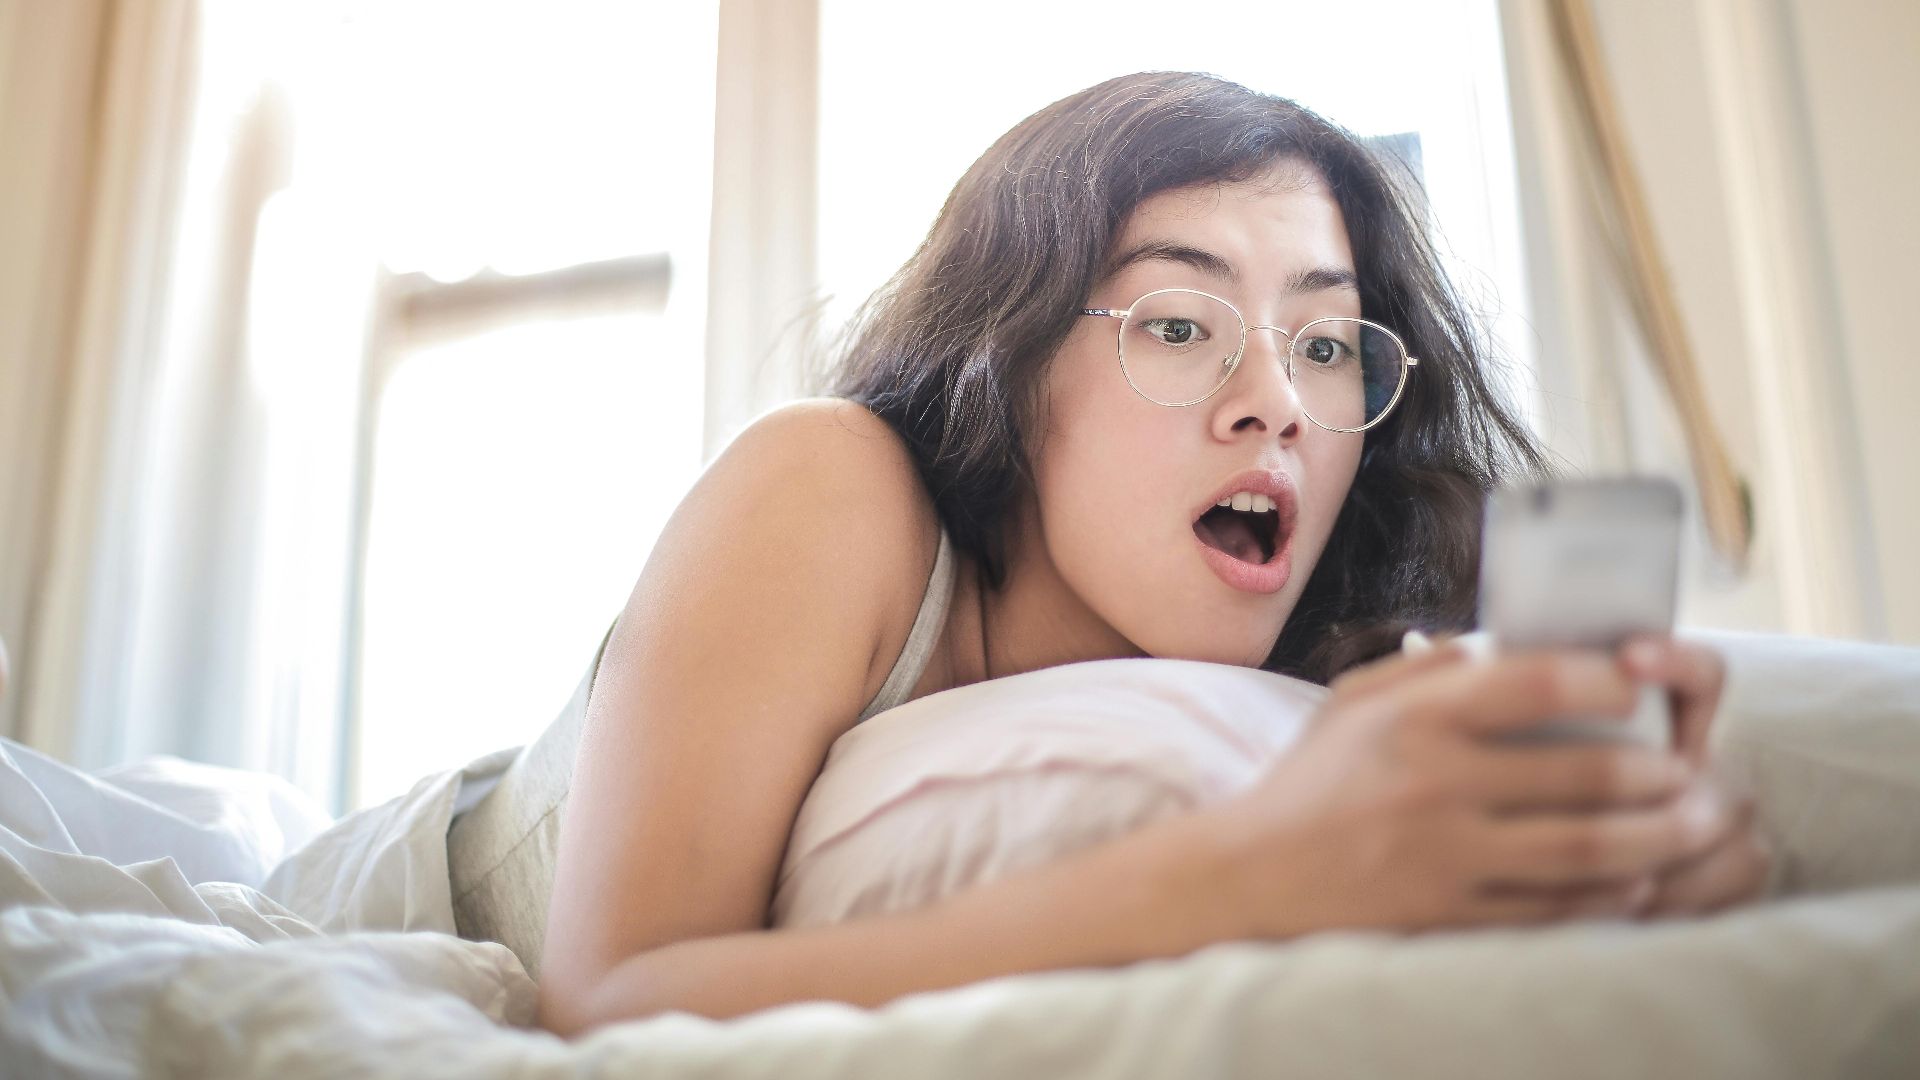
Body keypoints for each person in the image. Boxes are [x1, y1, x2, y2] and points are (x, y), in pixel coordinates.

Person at [533, 71, 1769, 1036]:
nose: (1277, 403)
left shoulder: (1336, 653)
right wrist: (1246, 876)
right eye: (1179, 326)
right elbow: (608, 1003)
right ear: (1010, 359)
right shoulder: (831, 485)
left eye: (1326, 346)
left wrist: (1629, 863)